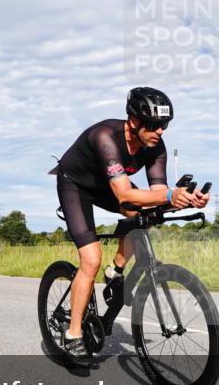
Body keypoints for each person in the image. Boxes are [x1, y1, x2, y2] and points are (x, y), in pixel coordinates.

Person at [54, 87, 210, 366]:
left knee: (146, 214)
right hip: (75, 185)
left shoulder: (155, 147)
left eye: (164, 125)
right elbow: (126, 196)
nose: (159, 131)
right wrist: (167, 196)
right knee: (90, 260)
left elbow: (158, 197)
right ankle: (73, 333)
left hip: (110, 185)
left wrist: (186, 201)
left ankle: (115, 270)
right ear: (133, 121)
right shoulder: (106, 138)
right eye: (153, 125)